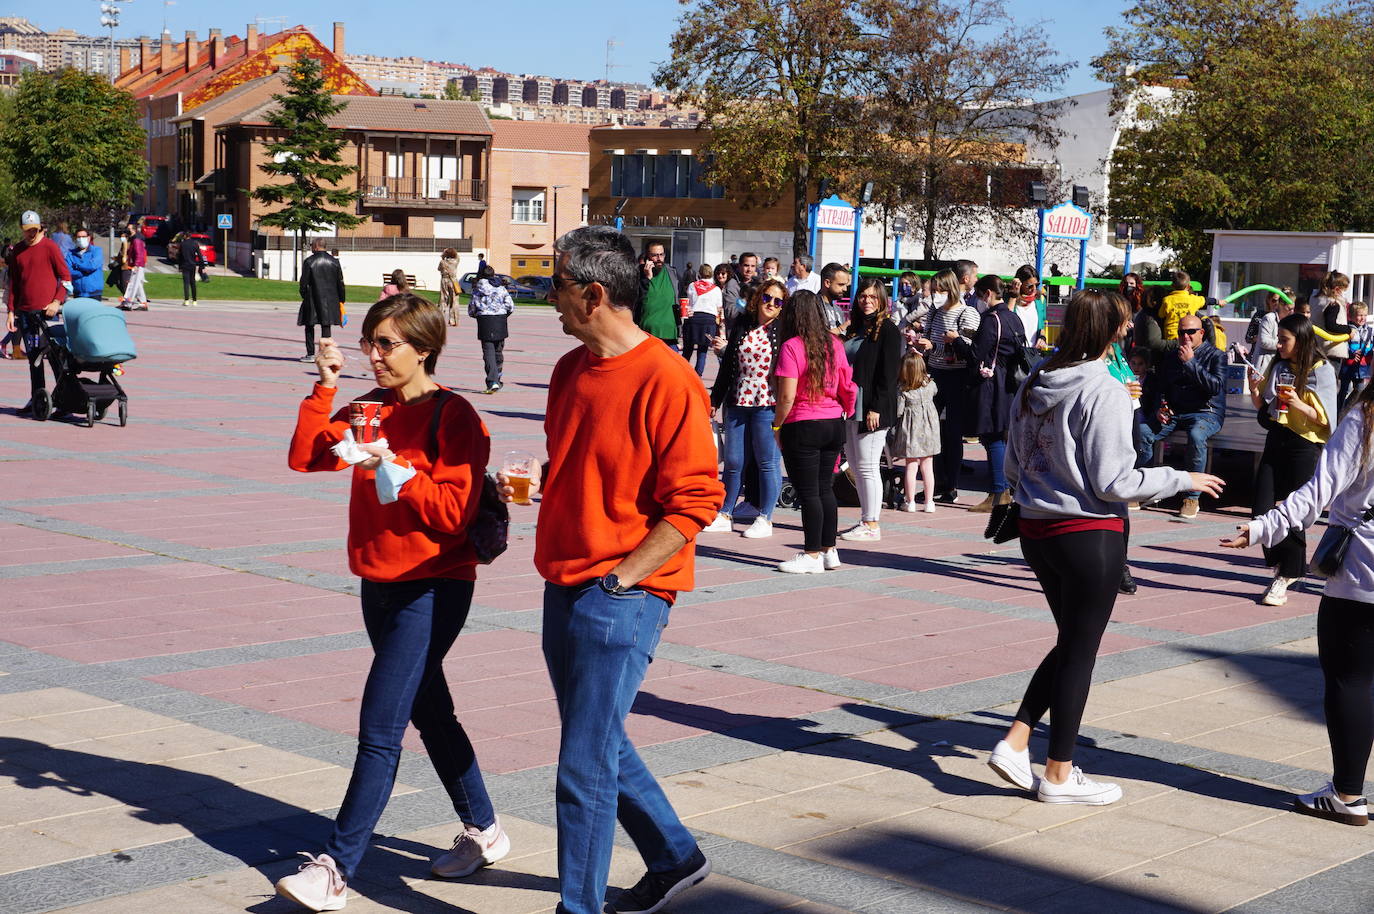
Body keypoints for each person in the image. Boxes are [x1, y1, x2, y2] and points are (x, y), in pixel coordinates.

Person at [507, 225, 722, 914]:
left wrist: (624, 577)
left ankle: (579, 908)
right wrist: (544, 482)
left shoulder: (669, 380)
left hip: (620, 592)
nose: (548, 302)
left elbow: (696, 502)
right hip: (562, 579)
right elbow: (585, 461)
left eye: (556, 289)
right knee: (596, 740)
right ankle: (675, 856)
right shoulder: (571, 369)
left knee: (582, 765)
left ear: (594, 294)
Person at [277, 293, 511, 911]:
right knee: (429, 711)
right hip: (376, 581)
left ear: (424, 348)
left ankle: (334, 869)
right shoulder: (366, 409)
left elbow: (454, 514)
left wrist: (397, 468)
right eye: (369, 344)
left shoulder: (455, 416)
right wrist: (325, 388)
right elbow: (306, 457)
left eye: (387, 344)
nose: (373, 356)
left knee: (381, 726)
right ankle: (485, 830)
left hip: (436, 583)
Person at [990, 289, 1223, 805]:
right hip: (1086, 532)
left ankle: (1017, 740)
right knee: (1080, 649)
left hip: (1036, 527)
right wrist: (1180, 476)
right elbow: (1116, 480)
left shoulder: (1037, 378)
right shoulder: (1105, 388)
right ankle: (1057, 773)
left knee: (1073, 640)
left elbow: (1014, 462)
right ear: (1110, 330)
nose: (1129, 329)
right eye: (1122, 322)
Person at [1221, 380, 1374, 826]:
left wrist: (1262, 527)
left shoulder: (1365, 421)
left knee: (1352, 680)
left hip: (1362, 573)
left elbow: (1317, 491)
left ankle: (1347, 794)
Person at [1248, 313, 1337, 606]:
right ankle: (1285, 565)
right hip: (1277, 438)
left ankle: (1285, 576)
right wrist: (1254, 389)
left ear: (1301, 341)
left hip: (1304, 445)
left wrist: (1301, 404)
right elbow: (1266, 407)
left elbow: (1326, 421)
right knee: (1261, 508)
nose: (1278, 345)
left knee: (1293, 511)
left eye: (1284, 340)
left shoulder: (1321, 370)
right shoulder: (1280, 365)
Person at [774, 289, 857, 573]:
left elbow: (786, 396)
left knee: (808, 492)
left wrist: (777, 425)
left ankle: (810, 555)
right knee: (824, 489)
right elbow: (847, 382)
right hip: (833, 421)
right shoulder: (834, 343)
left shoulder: (791, 346)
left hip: (803, 422)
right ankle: (829, 550)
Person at [704, 279, 786, 538]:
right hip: (738, 400)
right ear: (758, 298)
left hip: (767, 403)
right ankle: (725, 513)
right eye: (767, 298)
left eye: (777, 301)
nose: (771, 304)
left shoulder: (783, 330)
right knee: (734, 461)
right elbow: (727, 365)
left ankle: (766, 517)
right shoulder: (741, 323)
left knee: (767, 462)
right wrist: (714, 399)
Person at [1135, 313, 1227, 518]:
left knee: (1196, 436)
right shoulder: (1171, 357)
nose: (1185, 336)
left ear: (1201, 333)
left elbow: (1215, 387)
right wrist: (1161, 407)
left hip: (1206, 412)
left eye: (1190, 332)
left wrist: (1190, 363)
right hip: (1176, 412)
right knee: (1143, 431)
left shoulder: (1216, 356)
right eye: (1181, 332)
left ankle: (1192, 497)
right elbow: (1161, 388)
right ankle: (1145, 487)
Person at [839, 276, 902, 541]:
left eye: (873, 297)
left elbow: (889, 374)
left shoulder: (887, 329)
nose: (867, 301)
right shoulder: (856, 328)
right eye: (863, 296)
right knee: (854, 462)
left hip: (873, 406)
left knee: (867, 465)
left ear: (882, 300)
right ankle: (865, 518)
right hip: (852, 403)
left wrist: (875, 407)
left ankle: (872, 524)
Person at [913, 268, 980, 502]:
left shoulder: (967, 313)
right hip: (935, 375)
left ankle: (951, 485)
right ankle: (935, 482)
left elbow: (969, 350)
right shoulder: (934, 312)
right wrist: (920, 343)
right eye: (933, 291)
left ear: (950, 288)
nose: (935, 295)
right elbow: (930, 337)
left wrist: (937, 347)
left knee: (952, 433)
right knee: (932, 431)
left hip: (957, 377)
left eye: (939, 290)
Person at [959, 275, 1024, 513]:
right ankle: (1001, 490)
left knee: (992, 437)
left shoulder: (991, 320)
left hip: (991, 384)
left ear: (987, 294)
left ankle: (999, 492)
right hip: (1009, 383)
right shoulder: (1013, 317)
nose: (977, 300)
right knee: (1001, 436)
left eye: (978, 295)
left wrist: (957, 341)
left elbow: (976, 355)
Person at [5, 211, 70, 413]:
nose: (30, 234)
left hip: (46, 313)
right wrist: (10, 311)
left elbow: (65, 278)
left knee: (54, 356)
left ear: (40, 227)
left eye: (33, 230)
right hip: (25, 314)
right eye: (27, 231)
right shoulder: (18, 250)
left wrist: (56, 302)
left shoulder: (50, 247)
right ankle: (38, 398)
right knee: (34, 358)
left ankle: (64, 400)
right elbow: (14, 283)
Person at [888, 350, 940, 513]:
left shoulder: (903, 390)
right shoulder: (931, 385)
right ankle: (929, 502)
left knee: (911, 466)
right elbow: (935, 392)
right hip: (929, 430)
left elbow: (898, 412)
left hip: (910, 431)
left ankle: (910, 502)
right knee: (927, 466)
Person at [468, 264, 514, 393]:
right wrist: (504, 313)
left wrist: (476, 314)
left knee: (488, 352)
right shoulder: (501, 288)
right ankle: (497, 376)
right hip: (500, 320)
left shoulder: (477, 289)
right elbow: (510, 305)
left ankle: (492, 381)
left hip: (485, 322)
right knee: (498, 350)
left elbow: (472, 308)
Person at [298, 238, 345, 363]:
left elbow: (303, 283)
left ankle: (311, 353)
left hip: (312, 298)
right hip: (330, 299)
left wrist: (304, 295)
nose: (311, 248)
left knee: (309, 325)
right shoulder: (334, 262)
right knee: (326, 325)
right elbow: (340, 282)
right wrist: (341, 299)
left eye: (312, 245)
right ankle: (325, 353)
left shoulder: (309, 261)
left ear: (317, 246)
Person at [634, 240, 682, 350]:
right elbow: (637, 301)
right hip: (646, 335)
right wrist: (647, 279)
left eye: (661, 254)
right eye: (655, 255)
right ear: (647, 256)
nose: (659, 258)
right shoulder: (638, 274)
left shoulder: (672, 273)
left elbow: (678, 298)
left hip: (670, 334)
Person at [682, 263, 726, 375]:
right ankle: (698, 376)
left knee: (687, 350)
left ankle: (683, 373)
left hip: (693, 318)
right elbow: (719, 308)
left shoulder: (692, 285)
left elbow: (689, 302)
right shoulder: (716, 289)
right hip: (709, 321)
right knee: (702, 351)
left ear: (699, 273)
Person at [1338, 302, 1374, 414]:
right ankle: (1338, 411)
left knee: (1360, 389)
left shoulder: (1369, 331)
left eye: (1364, 315)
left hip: (1362, 366)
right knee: (1344, 390)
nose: (1362, 318)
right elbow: (1342, 344)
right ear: (1352, 316)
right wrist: (1350, 352)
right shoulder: (1347, 329)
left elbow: (1371, 344)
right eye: (1359, 315)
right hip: (1348, 364)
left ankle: (1346, 409)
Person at [1249, 291, 1292, 377]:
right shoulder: (1269, 318)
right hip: (1264, 368)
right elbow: (1264, 342)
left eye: (1293, 309)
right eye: (1289, 309)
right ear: (1281, 305)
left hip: (1279, 366)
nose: (1292, 312)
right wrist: (1283, 344)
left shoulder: (1289, 321)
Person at [1316, 271, 1353, 369]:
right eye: (1343, 291)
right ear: (1337, 289)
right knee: (1331, 380)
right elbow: (1331, 325)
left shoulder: (1316, 299)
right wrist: (1349, 330)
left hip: (1316, 346)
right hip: (1331, 349)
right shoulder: (1333, 304)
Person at [1159, 270, 1205, 340]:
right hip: (1188, 337)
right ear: (1188, 286)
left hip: (1171, 337)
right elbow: (1205, 300)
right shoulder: (1194, 299)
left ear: (1172, 286)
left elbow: (1161, 315)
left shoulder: (1167, 300)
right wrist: (1218, 301)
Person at [64, 228, 103, 300]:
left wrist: (76, 265)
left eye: (83, 237)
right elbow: (68, 271)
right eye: (79, 237)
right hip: (78, 292)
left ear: (88, 238)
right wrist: (84, 272)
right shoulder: (71, 254)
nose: (81, 239)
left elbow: (92, 266)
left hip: (94, 292)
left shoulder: (96, 251)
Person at [118, 224, 148, 311]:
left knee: (132, 284)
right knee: (138, 285)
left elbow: (139, 253)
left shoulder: (136, 240)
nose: (127, 230)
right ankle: (143, 303)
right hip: (136, 264)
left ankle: (128, 303)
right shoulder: (134, 239)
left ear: (134, 230)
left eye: (129, 229)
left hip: (137, 265)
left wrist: (136, 264)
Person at [817, 262, 851, 334]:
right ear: (827, 283)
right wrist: (840, 329)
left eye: (846, 285)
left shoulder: (838, 309)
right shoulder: (812, 307)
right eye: (841, 284)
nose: (845, 289)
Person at [173, 232, 204, 307]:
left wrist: (179, 266)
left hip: (184, 265)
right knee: (193, 283)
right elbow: (199, 255)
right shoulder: (195, 244)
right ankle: (194, 300)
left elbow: (179, 256)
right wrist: (201, 266)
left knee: (186, 283)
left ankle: (186, 300)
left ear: (185, 236)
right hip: (192, 265)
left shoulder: (182, 244)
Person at [438, 248, 461, 327]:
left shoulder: (442, 262)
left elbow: (439, 269)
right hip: (453, 281)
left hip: (444, 280)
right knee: (454, 301)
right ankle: (454, 320)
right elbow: (458, 256)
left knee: (443, 299)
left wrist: (443, 256)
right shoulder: (455, 262)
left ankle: (439, 319)